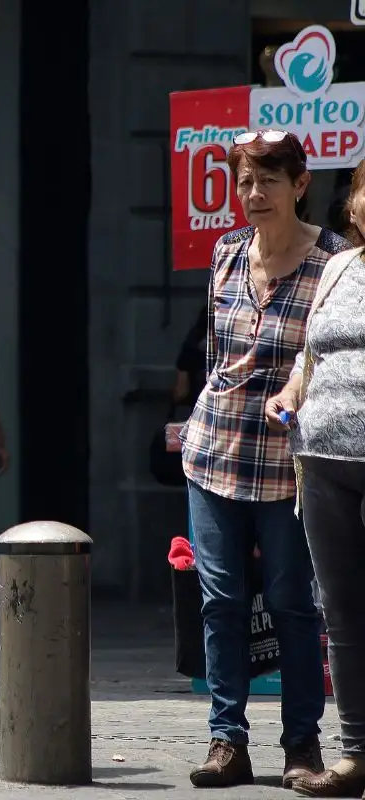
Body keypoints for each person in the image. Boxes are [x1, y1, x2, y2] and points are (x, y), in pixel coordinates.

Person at [180, 129, 350, 789]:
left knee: (292, 602)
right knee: (220, 599)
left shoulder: (332, 262)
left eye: (268, 182)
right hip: (215, 449)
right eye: (244, 182)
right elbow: (217, 359)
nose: (253, 196)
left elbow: (335, 363)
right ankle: (227, 741)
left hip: (291, 464)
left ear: (300, 185)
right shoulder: (225, 254)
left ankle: (301, 744)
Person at [263, 157, 365, 797]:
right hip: (322, 460)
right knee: (343, 612)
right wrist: (291, 393)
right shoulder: (337, 266)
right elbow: (311, 353)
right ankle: (356, 751)